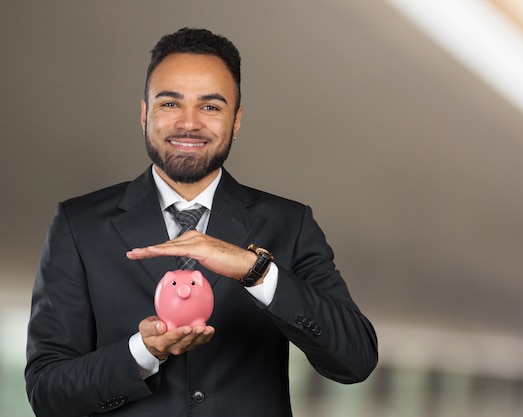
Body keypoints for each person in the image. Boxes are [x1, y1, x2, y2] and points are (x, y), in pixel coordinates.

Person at [25, 27, 378, 417]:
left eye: (210, 107)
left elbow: (356, 359)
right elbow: (47, 393)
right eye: (170, 104)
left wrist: (256, 270)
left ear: (236, 120)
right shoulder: (79, 224)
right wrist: (142, 353)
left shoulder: (289, 223)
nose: (189, 123)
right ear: (145, 113)